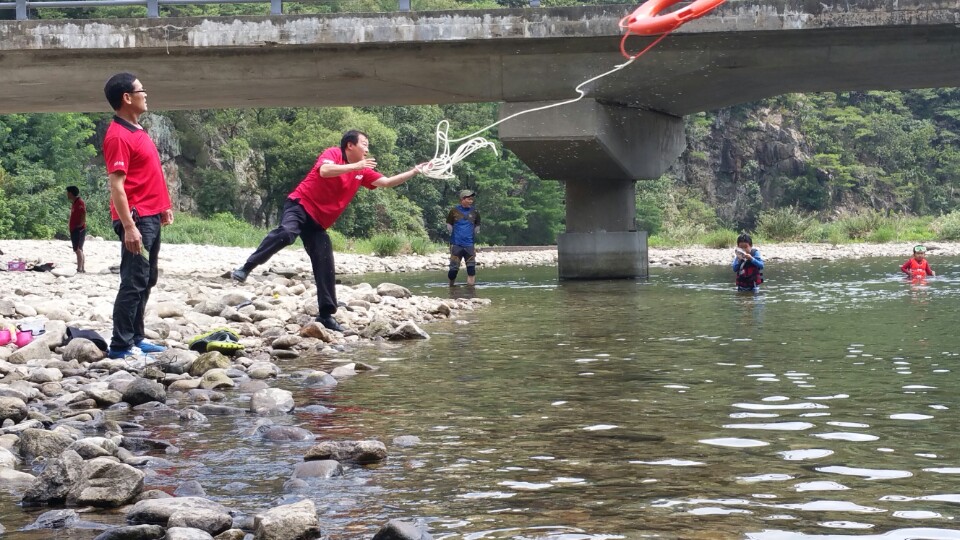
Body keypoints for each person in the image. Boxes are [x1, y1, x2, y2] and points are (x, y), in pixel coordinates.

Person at [230, 130, 426, 332]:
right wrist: (356, 166)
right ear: (350, 145)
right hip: (300, 205)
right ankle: (247, 267)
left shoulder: (362, 171)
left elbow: (386, 182)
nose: (367, 149)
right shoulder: (334, 153)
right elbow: (324, 171)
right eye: (364, 144)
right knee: (287, 234)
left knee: (325, 262)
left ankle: (325, 315)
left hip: (318, 223)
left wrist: (415, 171)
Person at [102, 72, 173, 359]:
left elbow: (147, 173)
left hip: (151, 214)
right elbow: (117, 187)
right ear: (127, 98)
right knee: (133, 280)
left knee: (147, 278)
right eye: (141, 90)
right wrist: (129, 227)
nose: (146, 94)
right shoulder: (118, 136)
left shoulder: (137, 130)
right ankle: (120, 346)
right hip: (137, 219)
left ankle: (137, 337)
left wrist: (163, 206)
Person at [446, 189, 480, 286]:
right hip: (456, 245)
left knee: (471, 269)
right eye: (469, 199)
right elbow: (449, 224)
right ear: (462, 199)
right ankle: (451, 287)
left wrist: (472, 236)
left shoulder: (475, 212)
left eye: (471, 199)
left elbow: (477, 226)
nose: (471, 201)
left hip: (469, 245)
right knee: (453, 271)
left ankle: (471, 290)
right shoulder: (453, 211)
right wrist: (454, 235)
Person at [66, 186, 87, 273]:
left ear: (71, 193)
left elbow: (83, 213)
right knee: (79, 249)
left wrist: (81, 224)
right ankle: (82, 268)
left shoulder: (80, 202)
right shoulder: (75, 202)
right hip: (75, 228)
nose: (67, 194)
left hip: (78, 229)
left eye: (67, 192)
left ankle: (80, 269)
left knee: (78, 249)